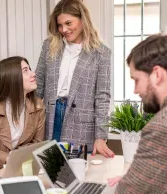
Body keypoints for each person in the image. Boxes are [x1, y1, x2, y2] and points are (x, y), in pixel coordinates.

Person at [108, 34, 167, 194]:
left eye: (136, 80)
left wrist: (132, 186)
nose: (135, 90)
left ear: (157, 75)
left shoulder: (166, 126)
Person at [35, 0, 114, 157]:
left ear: (82, 19)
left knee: (78, 175)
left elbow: (102, 97)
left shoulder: (101, 52)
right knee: (51, 170)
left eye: (69, 23)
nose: (64, 29)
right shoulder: (49, 45)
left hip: (82, 126)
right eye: (60, 25)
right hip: (51, 118)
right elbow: (38, 86)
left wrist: (101, 136)